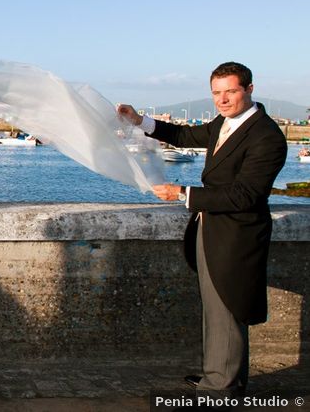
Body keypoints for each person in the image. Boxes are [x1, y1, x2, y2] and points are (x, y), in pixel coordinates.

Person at [117, 61, 287, 395]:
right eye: (217, 93)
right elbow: (182, 135)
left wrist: (185, 193)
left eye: (231, 92)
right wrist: (139, 120)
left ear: (249, 89)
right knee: (214, 307)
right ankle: (218, 375)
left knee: (228, 307)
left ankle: (222, 387)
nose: (223, 100)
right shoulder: (224, 123)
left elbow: (246, 195)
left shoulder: (267, 136)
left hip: (237, 235)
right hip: (211, 228)